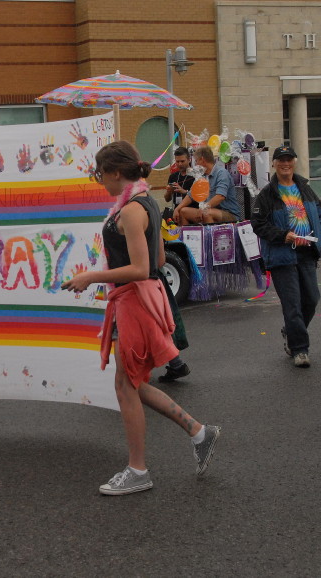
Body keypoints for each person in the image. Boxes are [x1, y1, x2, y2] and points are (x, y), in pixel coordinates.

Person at [62, 141, 220, 495]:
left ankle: (139, 470)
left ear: (117, 172)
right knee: (132, 382)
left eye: (101, 174)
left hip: (133, 303)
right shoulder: (144, 201)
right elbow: (160, 258)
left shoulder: (132, 210)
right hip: (139, 299)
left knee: (126, 385)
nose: (100, 180)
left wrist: (90, 276)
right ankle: (198, 431)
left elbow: (141, 267)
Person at [250, 145, 321, 369]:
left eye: (289, 159)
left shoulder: (305, 188)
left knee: (312, 299)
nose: (285, 164)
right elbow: (257, 224)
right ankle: (299, 349)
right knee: (293, 305)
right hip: (282, 256)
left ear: (294, 162)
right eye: (280, 160)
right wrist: (282, 236)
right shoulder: (267, 194)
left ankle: (292, 331)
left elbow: (320, 222)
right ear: (274, 164)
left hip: (307, 254)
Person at [173, 145, 240, 225]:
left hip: (229, 213)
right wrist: (177, 208)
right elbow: (191, 195)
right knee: (183, 211)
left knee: (207, 213)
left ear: (202, 160)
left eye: (196, 161)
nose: (196, 164)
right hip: (208, 210)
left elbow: (220, 196)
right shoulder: (201, 176)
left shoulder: (221, 173)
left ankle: (209, 237)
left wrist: (204, 208)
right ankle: (188, 236)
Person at [164, 146, 195, 211]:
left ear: (189, 159)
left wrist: (184, 191)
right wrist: (169, 191)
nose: (180, 164)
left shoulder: (196, 176)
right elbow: (167, 199)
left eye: (182, 161)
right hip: (177, 211)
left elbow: (199, 198)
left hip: (192, 210)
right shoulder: (173, 176)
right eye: (177, 161)